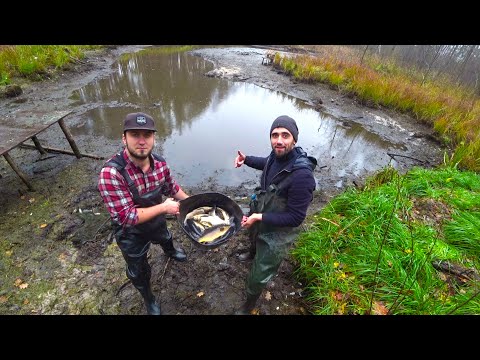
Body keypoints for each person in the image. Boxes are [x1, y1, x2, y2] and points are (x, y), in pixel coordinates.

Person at [98, 112, 189, 315]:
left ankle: (170, 251)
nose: (141, 141)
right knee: (138, 270)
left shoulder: (159, 162)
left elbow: (171, 187)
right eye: (135, 135)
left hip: (156, 220)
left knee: (165, 236)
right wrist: (165, 208)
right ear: (124, 138)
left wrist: (192, 204)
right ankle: (149, 298)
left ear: (153, 138)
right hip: (130, 233)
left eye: (147, 135)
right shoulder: (111, 174)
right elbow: (127, 217)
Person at [233, 115, 317, 315]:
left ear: (294, 140)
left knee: (259, 273)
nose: (279, 140)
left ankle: (248, 305)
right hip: (262, 214)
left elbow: (296, 218)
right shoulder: (276, 155)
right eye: (275, 135)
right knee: (253, 236)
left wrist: (259, 217)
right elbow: (266, 163)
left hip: (279, 231)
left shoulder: (302, 175)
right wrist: (246, 160)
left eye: (285, 135)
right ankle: (251, 253)